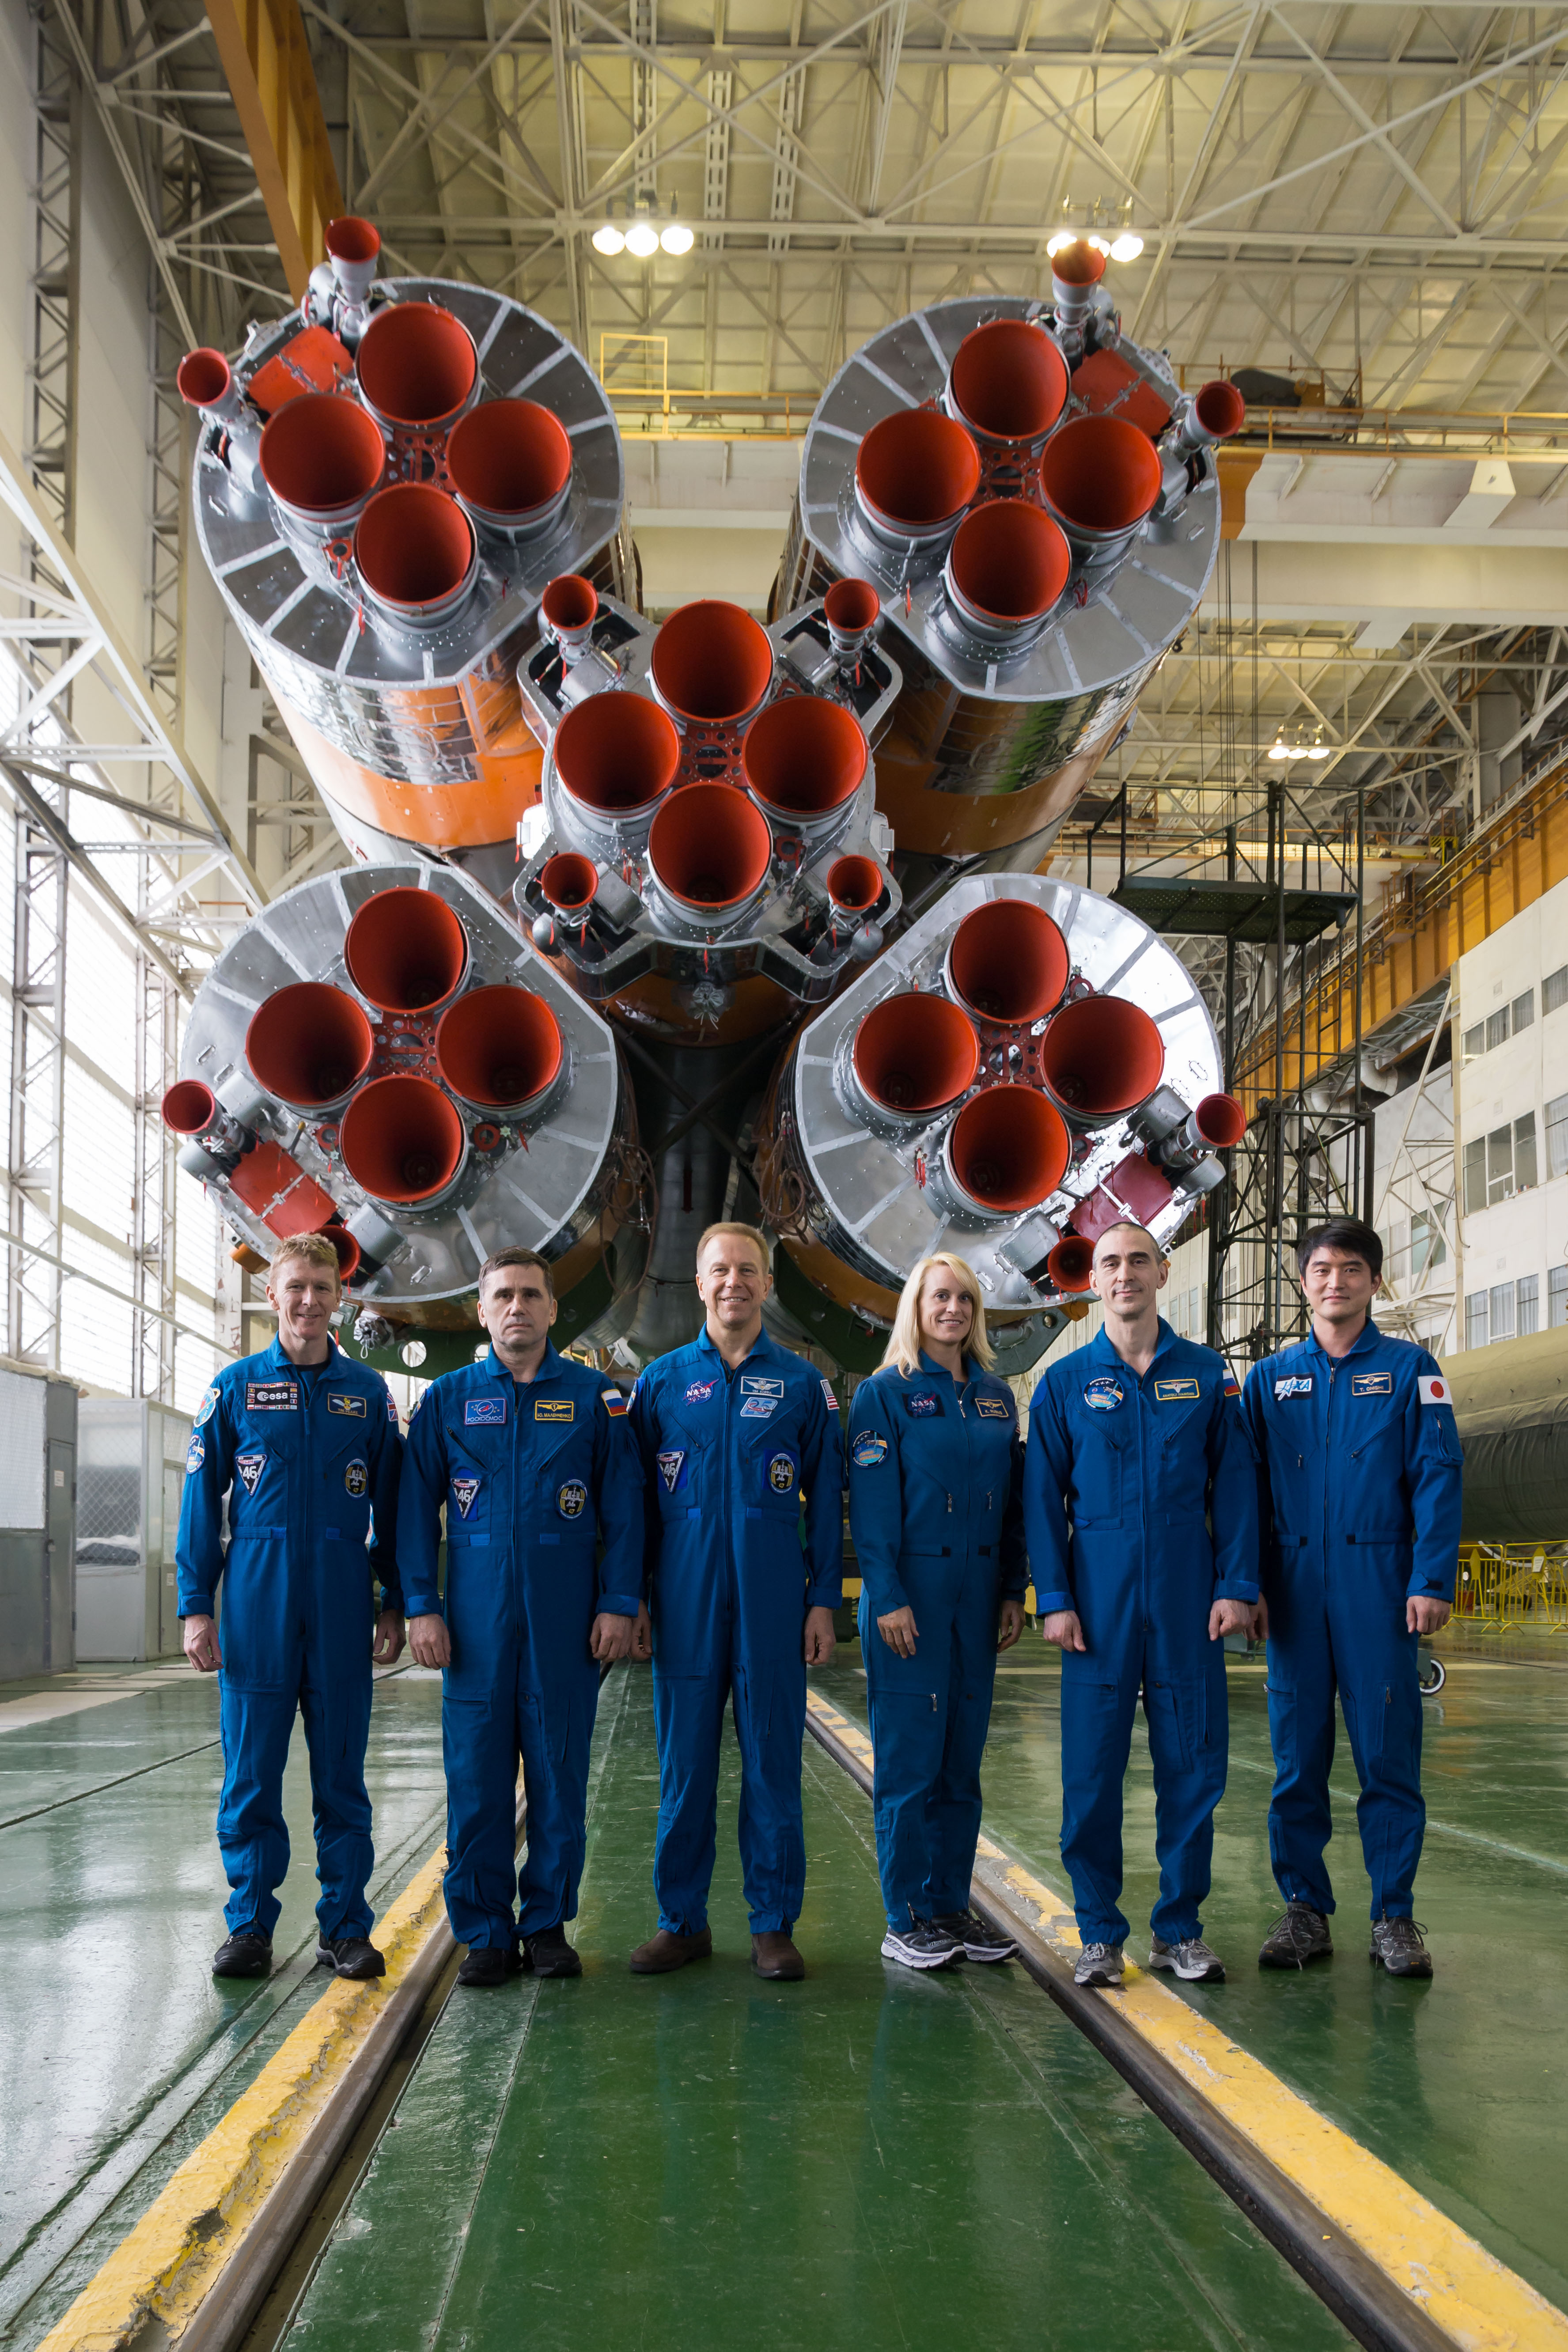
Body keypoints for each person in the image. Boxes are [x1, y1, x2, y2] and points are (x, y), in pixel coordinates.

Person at [398, 1249, 644, 1985]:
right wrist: (421, 1604)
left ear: (552, 1309)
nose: (517, 1308)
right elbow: (414, 1511)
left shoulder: (596, 1400)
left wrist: (618, 1601)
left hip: (564, 1616)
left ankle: (546, 1924)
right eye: (502, 1295)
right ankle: (484, 1931)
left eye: (530, 1295)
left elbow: (627, 1511)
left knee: (558, 1775)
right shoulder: (445, 1400)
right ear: (481, 1310)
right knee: (475, 1779)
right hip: (473, 1618)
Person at [1024, 1220, 1259, 1988]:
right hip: (1096, 1598)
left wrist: (1234, 1584)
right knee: (1091, 1772)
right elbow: (1040, 1501)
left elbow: (1234, 1487)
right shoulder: (1063, 1383)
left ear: (1162, 1272)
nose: (1123, 1274)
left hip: (1188, 1594)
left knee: (1192, 1766)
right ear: (1093, 1282)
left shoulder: (1207, 1374)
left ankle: (1179, 1930)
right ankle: (1098, 1931)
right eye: (1109, 1263)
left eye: (1137, 1261)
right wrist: (1053, 1597)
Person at [177, 1232, 405, 1981]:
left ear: (341, 1298)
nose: (309, 1300)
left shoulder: (368, 1393)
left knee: (342, 1775)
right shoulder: (236, 1388)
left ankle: (344, 1926)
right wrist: (195, 1605)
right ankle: (249, 1925)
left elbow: (395, 1507)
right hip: (256, 1602)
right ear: (272, 1295)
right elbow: (198, 1501)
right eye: (296, 1287)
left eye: (322, 1287)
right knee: (251, 1774)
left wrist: (394, 1601)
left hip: (341, 1602)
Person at [1242, 1216, 1462, 1980]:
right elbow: (1246, 1493)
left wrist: (1429, 1578)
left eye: (1351, 1269)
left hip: (1378, 1587)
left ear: (1373, 1281)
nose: (1335, 1282)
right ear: (1303, 1282)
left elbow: (1437, 1474)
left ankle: (1393, 1916)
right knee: (1296, 1761)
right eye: (1322, 1269)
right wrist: (1250, 1585)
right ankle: (1304, 1910)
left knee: (1387, 1756)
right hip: (1293, 1592)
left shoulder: (1411, 1370)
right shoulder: (1268, 1381)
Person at [627, 1223, 843, 1981]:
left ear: (765, 1283)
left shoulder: (799, 1384)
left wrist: (821, 1602)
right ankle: (680, 1920)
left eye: (746, 1270)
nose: (733, 1283)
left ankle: (772, 1925)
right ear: (699, 1281)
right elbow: (635, 1509)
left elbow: (826, 1506)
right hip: (685, 1598)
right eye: (720, 1270)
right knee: (684, 1767)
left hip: (773, 1598)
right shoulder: (658, 1384)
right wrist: (635, 1598)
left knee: (772, 1764)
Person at [847, 1254, 1026, 1972]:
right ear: (915, 1307)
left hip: (978, 1596)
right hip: (910, 1597)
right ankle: (904, 1915)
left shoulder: (994, 1396)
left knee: (960, 1764)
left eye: (963, 1298)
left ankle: (950, 1904)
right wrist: (885, 1593)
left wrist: (1012, 1587)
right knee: (910, 1765)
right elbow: (871, 1506)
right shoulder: (883, 1394)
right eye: (938, 1296)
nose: (951, 1307)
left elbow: (1013, 1505)